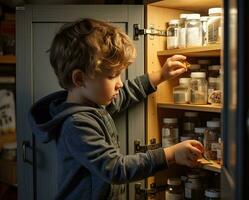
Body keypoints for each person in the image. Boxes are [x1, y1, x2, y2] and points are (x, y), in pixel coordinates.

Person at [28, 18, 203, 200]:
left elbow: (124, 94)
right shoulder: (76, 124)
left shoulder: (92, 104)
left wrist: (160, 75)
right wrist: (171, 154)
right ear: (79, 79)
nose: (119, 83)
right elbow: (116, 169)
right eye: (112, 76)